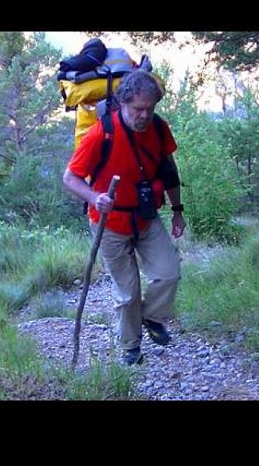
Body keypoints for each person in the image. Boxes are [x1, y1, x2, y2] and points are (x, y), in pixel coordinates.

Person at [63, 70, 185, 365]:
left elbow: (169, 172)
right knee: (127, 293)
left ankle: (152, 317)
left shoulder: (158, 128)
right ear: (122, 103)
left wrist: (178, 211)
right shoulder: (101, 133)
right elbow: (70, 177)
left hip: (146, 216)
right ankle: (131, 347)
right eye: (138, 109)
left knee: (169, 273)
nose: (144, 115)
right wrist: (94, 197)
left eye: (150, 108)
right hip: (110, 224)